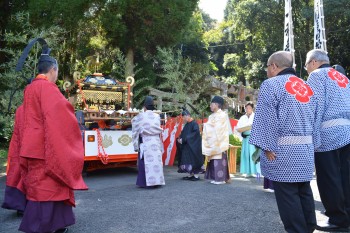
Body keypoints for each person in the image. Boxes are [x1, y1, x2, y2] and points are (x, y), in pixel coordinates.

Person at [249, 51, 320, 233]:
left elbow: (267, 118)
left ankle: (297, 230)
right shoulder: (307, 86)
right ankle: (309, 227)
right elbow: (316, 119)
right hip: (305, 149)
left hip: (283, 150)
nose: (267, 71)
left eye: (267, 67)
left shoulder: (271, 85)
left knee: (287, 194)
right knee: (303, 190)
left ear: (274, 66)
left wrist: (266, 146)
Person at [18, 53, 88, 233]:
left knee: (40, 187)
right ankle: (42, 226)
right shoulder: (48, 88)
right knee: (48, 187)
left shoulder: (30, 89)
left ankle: (56, 223)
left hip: (31, 145)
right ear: (53, 70)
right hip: (44, 146)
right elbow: (59, 118)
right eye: (57, 72)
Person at [305, 49, 350, 232]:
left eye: (306, 64)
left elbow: (316, 107)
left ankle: (338, 218)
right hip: (347, 130)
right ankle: (346, 213)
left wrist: (313, 137)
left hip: (328, 132)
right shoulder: (343, 78)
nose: (306, 68)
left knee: (328, 177)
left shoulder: (316, 76)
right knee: (345, 176)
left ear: (314, 62)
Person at [132, 96, 165, 188]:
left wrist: (136, 144)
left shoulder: (140, 116)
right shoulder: (157, 116)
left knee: (146, 162)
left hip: (146, 141)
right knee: (156, 162)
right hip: (155, 141)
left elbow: (134, 127)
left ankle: (145, 183)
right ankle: (157, 182)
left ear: (145, 107)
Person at [1, 105, 27, 216]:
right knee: (28, 174)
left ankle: (19, 205)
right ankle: (26, 205)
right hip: (28, 143)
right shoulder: (38, 107)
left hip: (17, 144)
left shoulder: (20, 109)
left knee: (17, 173)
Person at [202, 96, 230, 185]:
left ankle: (220, 179)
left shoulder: (223, 115)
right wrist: (206, 126)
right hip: (212, 141)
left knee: (218, 159)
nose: (210, 106)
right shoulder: (211, 116)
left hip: (219, 142)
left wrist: (206, 126)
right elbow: (210, 127)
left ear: (217, 105)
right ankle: (214, 177)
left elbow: (219, 128)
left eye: (212, 104)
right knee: (213, 160)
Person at [176, 109, 204, 181]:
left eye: (184, 117)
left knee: (194, 160)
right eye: (183, 117)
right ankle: (191, 174)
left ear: (188, 115)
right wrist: (180, 138)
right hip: (187, 146)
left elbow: (195, 134)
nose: (184, 119)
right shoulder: (187, 124)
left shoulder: (194, 123)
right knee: (188, 160)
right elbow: (183, 133)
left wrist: (185, 139)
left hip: (193, 146)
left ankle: (196, 175)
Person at [236, 103, 259, 177]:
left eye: (249, 108)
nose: (248, 109)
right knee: (245, 154)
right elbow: (238, 127)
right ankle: (246, 171)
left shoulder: (255, 116)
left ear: (252, 109)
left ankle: (255, 171)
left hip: (253, 138)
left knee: (253, 154)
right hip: (245, 137)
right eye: (246, 108)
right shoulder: (243, 117)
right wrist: (241, 131)